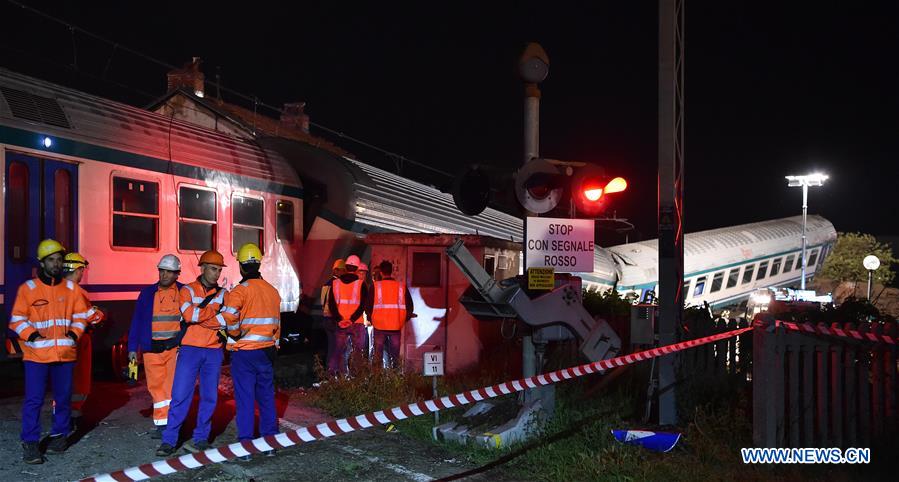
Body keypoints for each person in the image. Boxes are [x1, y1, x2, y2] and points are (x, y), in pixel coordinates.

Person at [10, 239, 91, 464]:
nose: (56, 264)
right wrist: (33, 336)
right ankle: (31, 444)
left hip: (64, 355)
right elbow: (16, 320)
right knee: (34, 401)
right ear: (42, 263)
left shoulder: (72, 289)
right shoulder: (28, 289)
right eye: (51, 260)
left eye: (59, 260)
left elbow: (81, 316)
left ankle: (59, 436)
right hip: (36, 356)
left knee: (63, 399)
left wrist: (74, 335)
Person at [157, 250, 226, 456]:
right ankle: (169, 440)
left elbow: (227, 320)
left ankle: (201, 438)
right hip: (190, 350)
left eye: (219, 270)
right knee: (180, 396)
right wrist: (214, 315)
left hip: (213, 351)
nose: (217, 274)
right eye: (213, 269)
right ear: (203, 268)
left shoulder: (224, 293)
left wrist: (202, 316)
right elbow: (188, 315)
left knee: (209, 397)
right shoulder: (187, 290)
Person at [220, 243, 281, 461]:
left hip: (244, 353)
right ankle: (270, 443)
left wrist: (235, 333)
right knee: (266, 397)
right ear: (258, 264)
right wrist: (274, 343)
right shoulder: (272, 291)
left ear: (242, 267)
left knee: (245, 399)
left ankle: (246, 446)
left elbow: (228, 316)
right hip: (266, 352)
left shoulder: (240, 291)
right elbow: (276, 324)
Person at [127, 254, 183, 437]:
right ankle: (162, 423)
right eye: (162, 271)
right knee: (156, 388)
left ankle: (170, 424)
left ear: (177, 274)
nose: (164, 275)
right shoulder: (147, 294)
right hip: (152, 349)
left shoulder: (184, 292)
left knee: (171, 387)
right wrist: (132, 349)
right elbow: (136, 321)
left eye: (169, 272)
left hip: (174, 348)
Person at [63, 253, 105, 432]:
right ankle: (75, 414)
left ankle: (61, 413)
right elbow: (92, 318)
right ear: (78, 270)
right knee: (79, 378)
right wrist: (99, 313)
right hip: (79, 340)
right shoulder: (78, 292)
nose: (83, 274)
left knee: (62, 378)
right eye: (82, 270)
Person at [326, 255, 368, 375]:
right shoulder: (361, 284)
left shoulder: (335, 284)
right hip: (356, 323)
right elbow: (363, 305)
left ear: (346, 267)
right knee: (358, 351)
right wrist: (352, 319)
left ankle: (333, 375)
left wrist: (339, 319)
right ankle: (357, 377)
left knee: (338, 351)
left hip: (341, 324)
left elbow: (332, 305)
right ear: (356, 269)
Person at [368, 261, 414, 368]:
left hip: (379, 326)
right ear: (391, 271)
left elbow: (368, 306)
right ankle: (394, 378)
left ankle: (376, 379)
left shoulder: (375, 287)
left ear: (381, 272)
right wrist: (402, 320)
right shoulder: (401, 287)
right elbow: (410, 307)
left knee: (377, 356)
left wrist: (372, 319)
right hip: (395, 327)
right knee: (395, 357)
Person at [321, 259, 345, 374]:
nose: (344, 273)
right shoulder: (338, 285)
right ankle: (333, 372)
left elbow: (323, 302)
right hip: (333, 319)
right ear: (337, 271)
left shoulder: (326, 284)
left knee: (330, 345)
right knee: (336, 347)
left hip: (326, 318)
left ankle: (329, 370)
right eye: (342, 270)